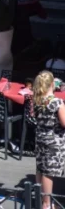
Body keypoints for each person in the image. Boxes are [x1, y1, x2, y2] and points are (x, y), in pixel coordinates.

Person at [32, 70, 65, 209]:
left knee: (41, 169)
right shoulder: (57, 102)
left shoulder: (37, 101)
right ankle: (47, 204)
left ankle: (41, 201)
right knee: (49, 172)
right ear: (52, 84)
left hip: (40, 139)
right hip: (54, 142)